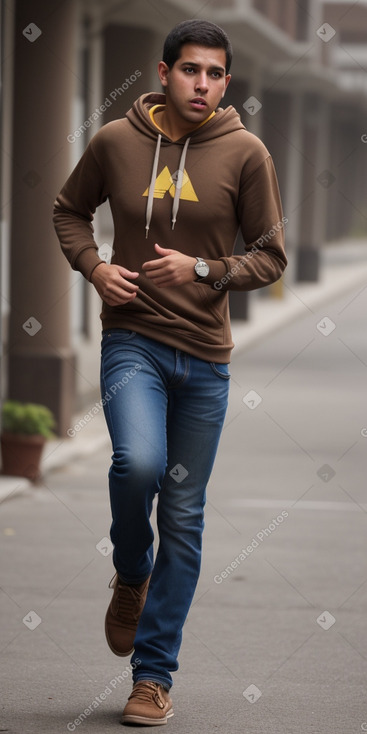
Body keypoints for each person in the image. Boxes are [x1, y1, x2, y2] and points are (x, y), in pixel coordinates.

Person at [53, 18, 287, 726]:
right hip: (134, 342)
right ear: (162, 73)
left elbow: (271, 255)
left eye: (216, 74)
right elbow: (69, 211)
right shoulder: (115, 142)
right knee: (136, 464)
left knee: (183, 518)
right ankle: (131, 570)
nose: (204, 85)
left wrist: (204, 268)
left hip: (206, 360)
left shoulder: (246, 153)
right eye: (191, 70)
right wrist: (95, 269)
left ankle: (152, 678)